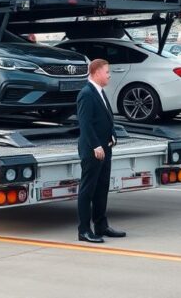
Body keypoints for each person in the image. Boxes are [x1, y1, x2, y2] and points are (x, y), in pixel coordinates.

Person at [75, 59, 126, 243]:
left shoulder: (100, 92)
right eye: (107, 71)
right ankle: (84, 230)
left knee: (102, 188)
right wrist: (96, 145)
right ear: (96, 72)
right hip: (92, 150)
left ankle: (101, 225)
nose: (109, 74)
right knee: (87, 190)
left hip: (105, 148)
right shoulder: (86, 94)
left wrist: (111, 135)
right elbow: (85, 124)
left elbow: (106, 118)